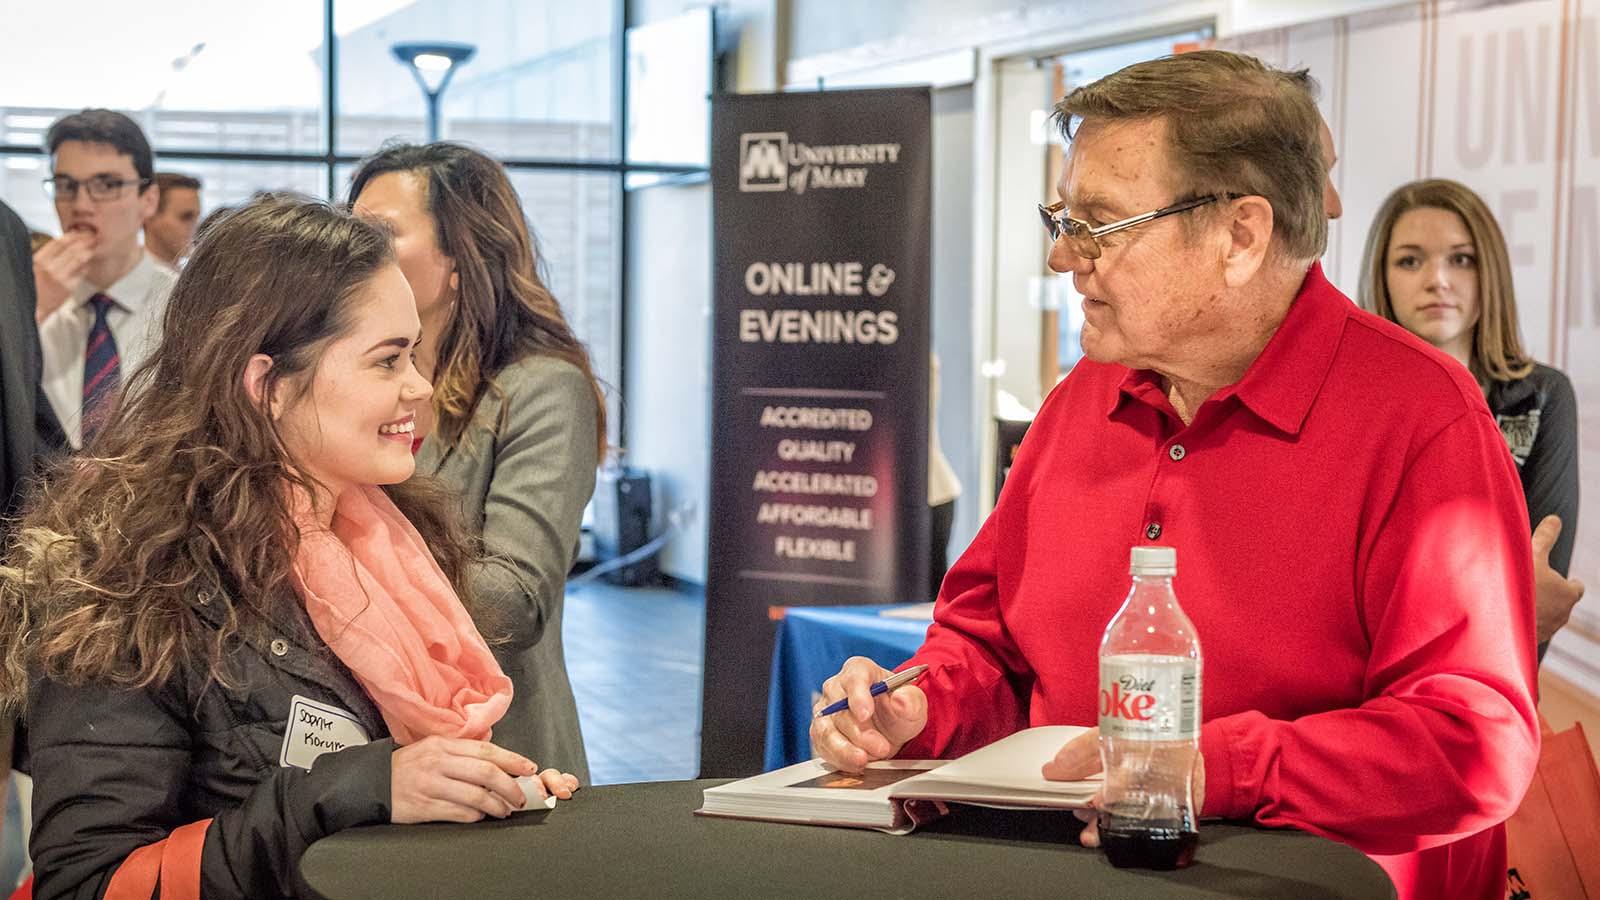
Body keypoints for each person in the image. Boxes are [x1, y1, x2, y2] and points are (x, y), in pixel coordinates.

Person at [811, 51, 1537, 900]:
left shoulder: (1420, 420)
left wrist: (1210, 770)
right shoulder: (1077, 403)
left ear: (1240, 235)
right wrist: (920, 708)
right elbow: (989, 645)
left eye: (1102, 225)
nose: (1064, 259)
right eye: (1064, 220)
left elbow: (1471, 743)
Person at [0, 196, 579, 900]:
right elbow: (89, 882)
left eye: (415, 354)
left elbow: (388, 789)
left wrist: (479, 795)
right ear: (266, 385)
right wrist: (358, 789)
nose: (419, 387)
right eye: (388, 361)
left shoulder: (400, 538)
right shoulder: (128, 580)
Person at [349, 143, 604, 782]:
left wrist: (337, 553)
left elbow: (513, 603)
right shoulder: (344, 384)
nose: (352, 255)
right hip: (372, 754)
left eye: (380, 235)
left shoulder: (540, 390)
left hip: (504, 758)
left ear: (462, 256)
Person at [1359, 178, 1581, 656]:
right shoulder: (1350, 396)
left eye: (1461, 259)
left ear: (1490, 273)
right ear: (1382, 276)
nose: (1437, 279)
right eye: (1410, 260)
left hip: (1494, 686)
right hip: (1361, 690)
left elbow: (1542, 588)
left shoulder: (1543, 397)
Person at [33, 109, 177, 449]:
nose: (81, 205)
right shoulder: (31, 305)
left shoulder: (185, 307)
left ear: (149, 199)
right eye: (66, 186)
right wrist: (27, 312)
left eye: (106, 185)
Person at [144, 172, 203, 269]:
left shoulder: (191, 278)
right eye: (186, 217)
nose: (197, 226)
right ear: (150, 216)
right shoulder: (126, 278)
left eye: (197, 217)